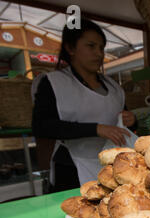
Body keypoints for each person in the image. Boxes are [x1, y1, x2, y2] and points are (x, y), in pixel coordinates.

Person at [32, 18, 137, 192]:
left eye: (101, 48)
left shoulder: (113, 87)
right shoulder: (54, 83)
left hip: (111, 164)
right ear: (70, 48)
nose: (99, 53)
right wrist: (96, 129)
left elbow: (124, 120)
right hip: (71, 167)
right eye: (91, 46)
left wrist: (131, 120)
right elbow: (42, 126)